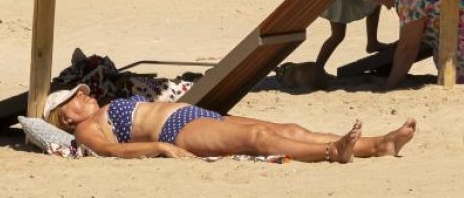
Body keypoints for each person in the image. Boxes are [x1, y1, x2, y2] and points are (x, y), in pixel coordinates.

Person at [45, 84, 415, 162]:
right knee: (257, 137)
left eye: (82, 93)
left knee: (288, 130)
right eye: (75, 99)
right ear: (65, 116)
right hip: (175, 131)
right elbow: (112, 150)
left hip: (195, 116)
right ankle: (331, 151)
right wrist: (160, 147)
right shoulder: (84, 129)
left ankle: (379, 145)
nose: (85, 96)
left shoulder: (101, 108)